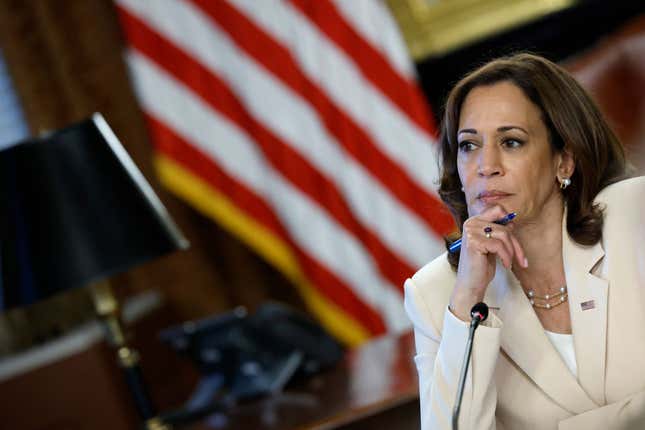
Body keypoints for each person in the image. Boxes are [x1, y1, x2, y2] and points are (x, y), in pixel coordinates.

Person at [404, 53, 645, 429]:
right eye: (469, 145)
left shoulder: (636, 217)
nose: (487, 165)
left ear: (564, 160)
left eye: (511, 142)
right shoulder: (436, 295)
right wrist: (468, 300)